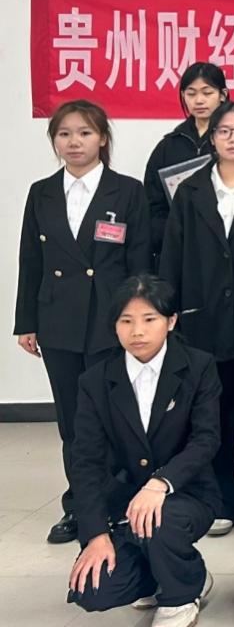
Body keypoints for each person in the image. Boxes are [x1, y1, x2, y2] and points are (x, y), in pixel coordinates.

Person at [15, 99, 150, 545]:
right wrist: (26, 321)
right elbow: (31, 260)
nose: (74, 142)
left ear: (103, 138)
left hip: (112, 323)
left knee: (116, 417)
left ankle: (120, 503)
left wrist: (139, 322)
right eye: (64, 133)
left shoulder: (127, 191)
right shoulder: (41, 192)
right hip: (58, 321)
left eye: (85, 132)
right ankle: (80, 506)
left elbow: (139, 264)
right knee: (73, 422)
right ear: (54, 140)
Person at [65, 275, 220, 627]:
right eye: (126, 321)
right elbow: (85, 462)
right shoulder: (95, 380)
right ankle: (163, 571)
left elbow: (206, 440)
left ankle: (183, 592)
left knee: (158, 522)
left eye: (149, 319)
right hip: (124, 504)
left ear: (171, 321)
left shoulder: (198, 367)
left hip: (187, 494)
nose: (137, 331)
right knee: (92, 591)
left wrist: (160, 483)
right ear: (115, 326)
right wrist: (95, 535)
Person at [160, 100, 234, 536]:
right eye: (225, 131)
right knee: (213, 414)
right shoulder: (190, 190)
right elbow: (172, 256)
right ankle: (221, 498)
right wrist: (168, 310)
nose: (233, 139)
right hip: (204, 321)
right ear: (212, 138)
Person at [143, 62, 227, 266]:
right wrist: (174, 233)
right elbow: (153, 205)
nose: (199, 100)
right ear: (183, 96)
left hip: (224, 246)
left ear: (222, 95)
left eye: (207, 92)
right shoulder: (168, 146)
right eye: (191, 93)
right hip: (178, 249)